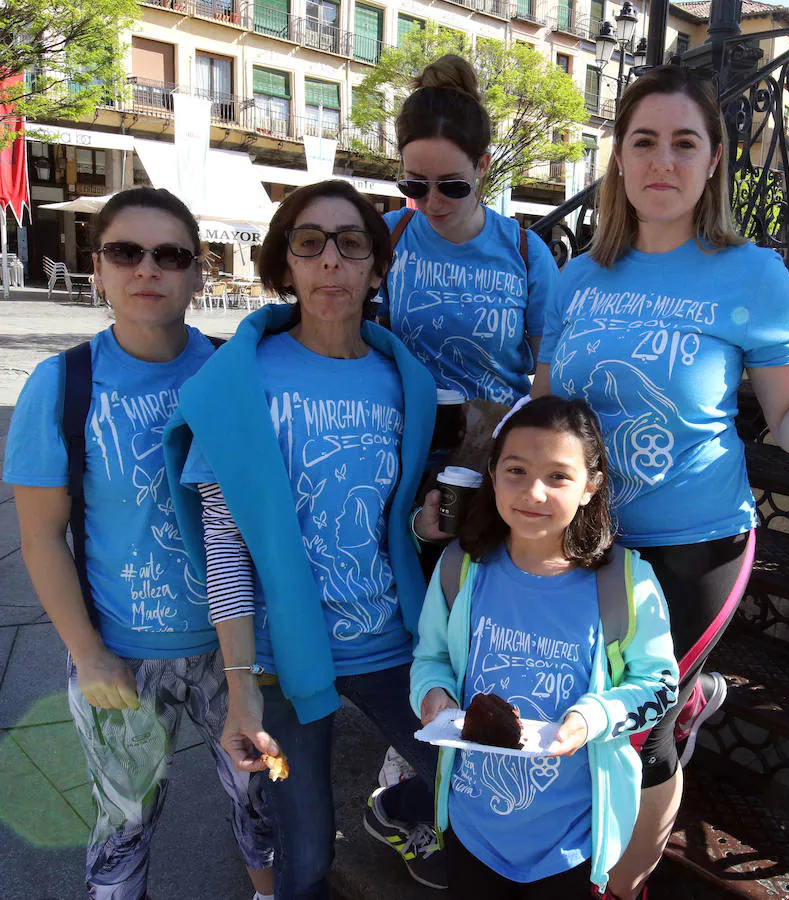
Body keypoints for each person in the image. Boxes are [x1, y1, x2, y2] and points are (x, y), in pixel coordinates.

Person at [531, 64, 789, 900]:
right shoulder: (579, 277)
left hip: (694, 548)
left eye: (683, 143)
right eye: (643, 141)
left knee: (634, 734)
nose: (662, 160)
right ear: (618, 158)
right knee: (577, 715)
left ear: (714, 159)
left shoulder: (751, 273)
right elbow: (548, 411)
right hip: (584, 543)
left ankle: (621, 888)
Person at [163, 179, 448, 898]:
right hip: (282, 659)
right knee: (306, 855)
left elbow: (382, 518)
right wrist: (239, 688)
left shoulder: (403, 380)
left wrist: (421, 525)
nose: (330, 261)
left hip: (394, 642)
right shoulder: (240, 379)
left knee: (472, 784)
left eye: (351, 244)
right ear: (284, 264)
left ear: (376, 269)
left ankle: (400, 816)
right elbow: (227, 543)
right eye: (309, 243)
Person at [3, 187, 275, 900]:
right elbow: (40, 537)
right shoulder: (63, 385)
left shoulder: (232, 372)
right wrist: (89, 654)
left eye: (170, 255)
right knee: (124, 820)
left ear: (197, 273)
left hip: (232, 647)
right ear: (98, 268)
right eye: (126, 252)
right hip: (120, 653)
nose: (147, 269)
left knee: (259, 802)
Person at [410, 395, 679, 899]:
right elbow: (432, 659)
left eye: (558, 476)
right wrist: (432, 695)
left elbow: (660, 686)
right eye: (516, 470)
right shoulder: (460, 569)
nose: (533, 491)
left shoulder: (623, 583)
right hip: (472, 828)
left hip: (570, 843)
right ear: (492, 475)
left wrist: (593, 717)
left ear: (590, 485)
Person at [377, 54, 559, 407]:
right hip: (406, 442)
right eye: (415, 185)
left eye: (452, 186)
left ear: (482, 166)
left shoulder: (526, 253)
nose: (431, 202)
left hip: (494, 447)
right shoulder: (389, 236)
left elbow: (550, 374)